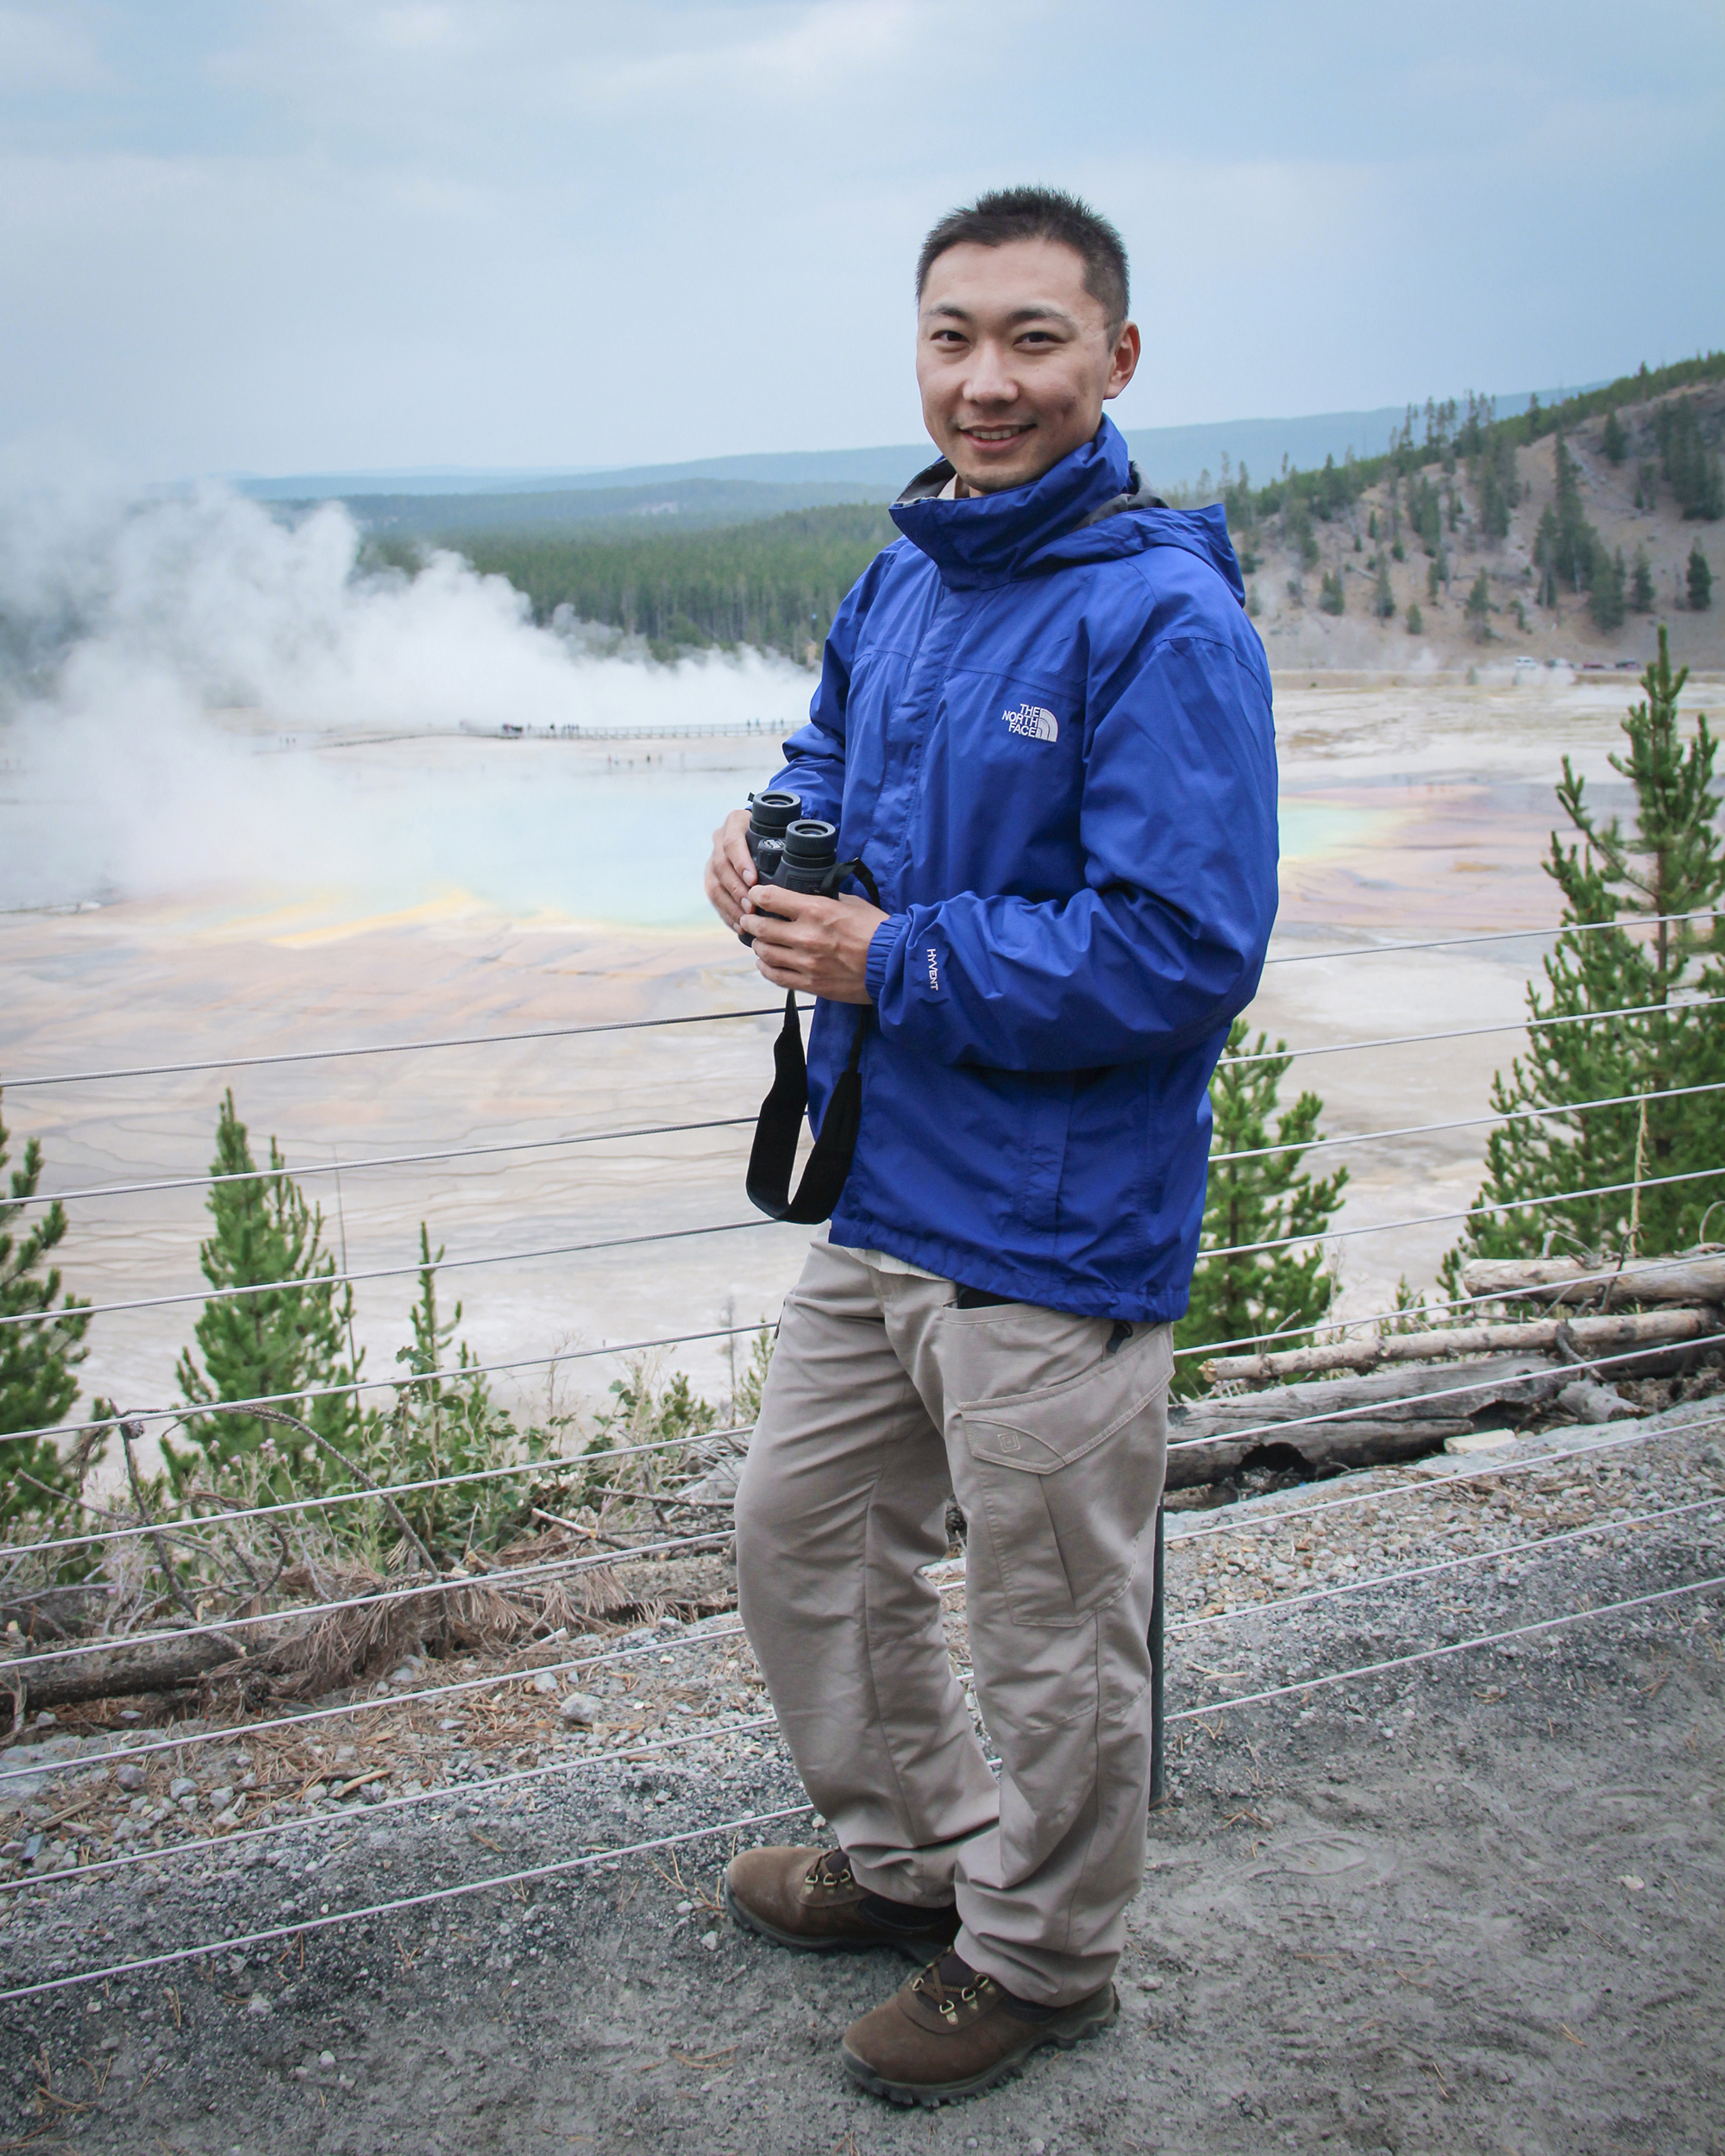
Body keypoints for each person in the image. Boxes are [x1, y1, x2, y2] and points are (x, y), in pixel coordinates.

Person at [702, 185, 1278, 2107]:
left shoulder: (1159, 613)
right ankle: (916, 1862)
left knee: (1051, 1632)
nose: (987, 377)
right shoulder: (914, 573)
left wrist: (890, 952)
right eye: (954, 335)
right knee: (801, 1532)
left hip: (1052, 1221)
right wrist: (763, 845)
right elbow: (823, 763)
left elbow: (1183, 948)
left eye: (1034, 337)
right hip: (888, 1188)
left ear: (1116, 359)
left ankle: (1038, 1956)